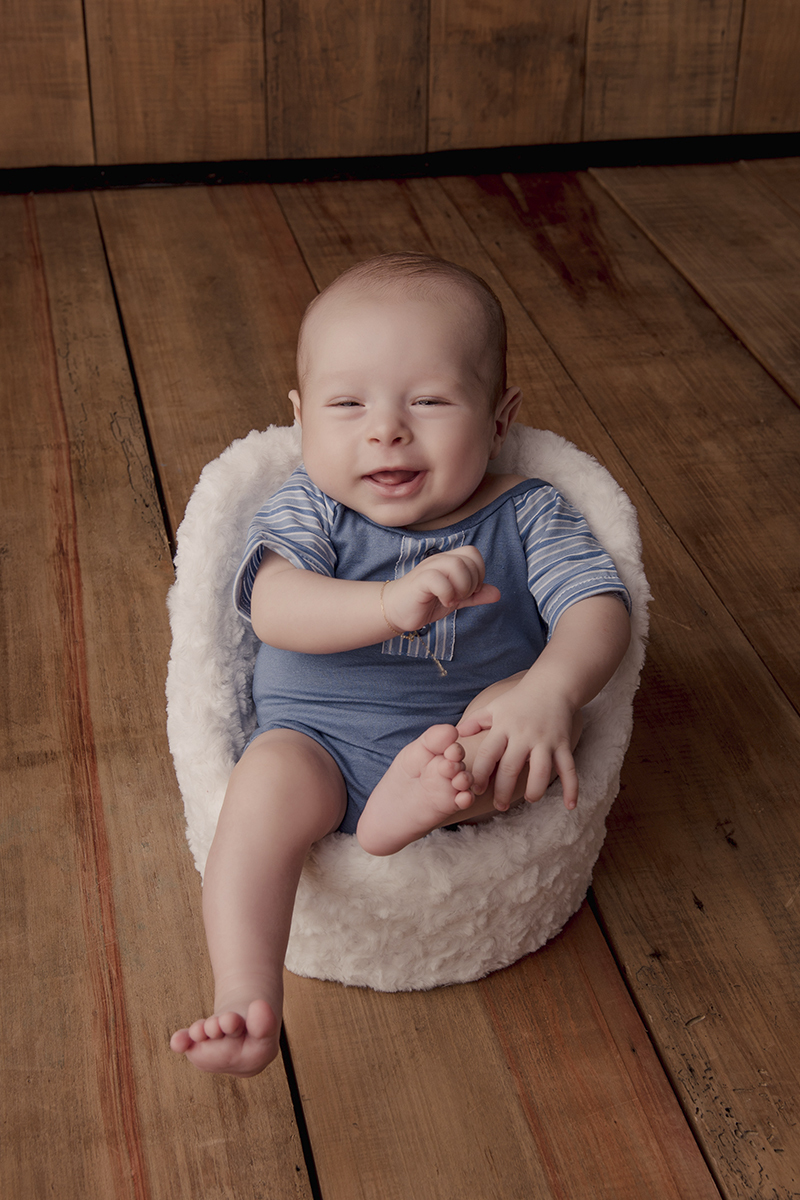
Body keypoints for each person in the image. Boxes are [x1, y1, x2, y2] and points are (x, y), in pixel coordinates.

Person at [170, 253, 631, 1077]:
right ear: (302, 415)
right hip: (316, 738)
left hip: (459, 743)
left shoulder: (528, 511)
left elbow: (599, 607)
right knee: (257, 796)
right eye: (347, 404)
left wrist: (553, 689)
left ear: (498, 418)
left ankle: (414, 812)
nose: (386, 429)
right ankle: (244, 991)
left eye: (428, 401)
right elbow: (272, 606)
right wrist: (386, 605)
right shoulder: (310, 504)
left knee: (517, 722)